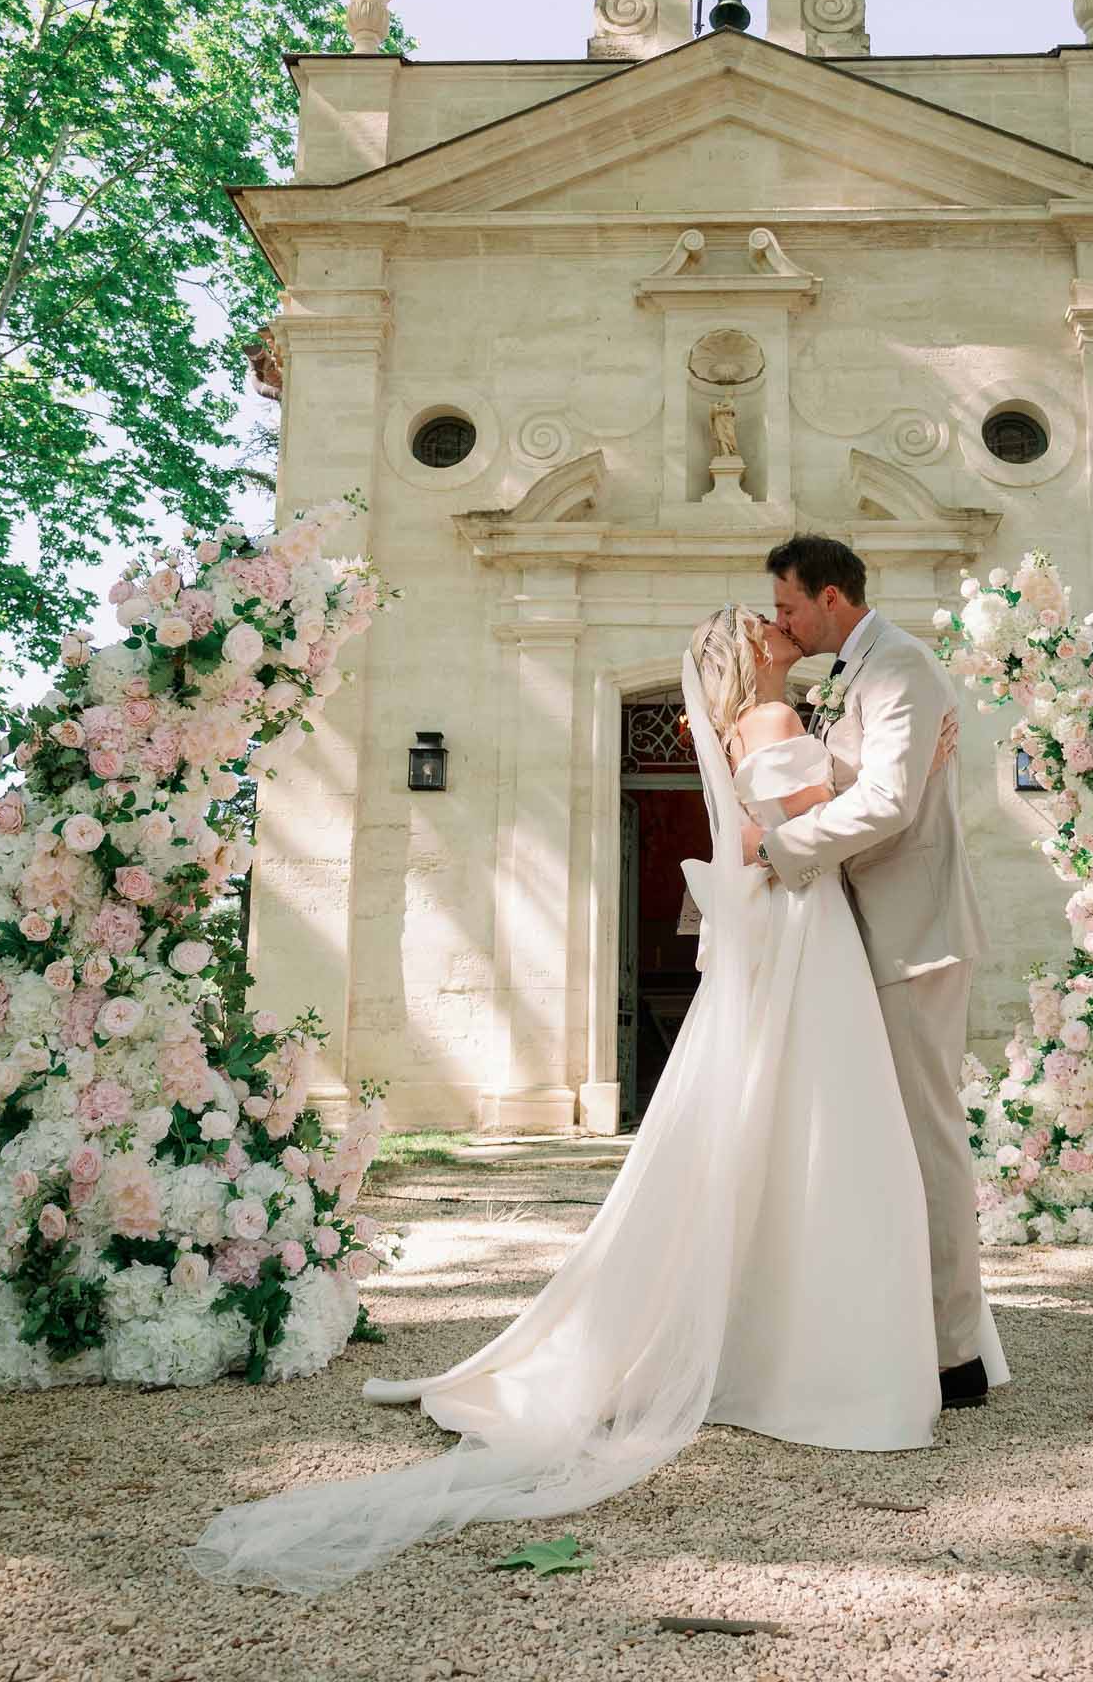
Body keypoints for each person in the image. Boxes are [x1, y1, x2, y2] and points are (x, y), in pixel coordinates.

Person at [187, 605, 1005, 1595]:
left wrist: (895, 772)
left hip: (807, 935)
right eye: (763, 623)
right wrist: (898, 779)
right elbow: (777, 838)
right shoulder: (779, 725)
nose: (781, 622)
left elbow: (801, 816)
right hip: (809, 932)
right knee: (823, 1133)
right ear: (748, 654)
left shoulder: (785, 723)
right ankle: (818, 1345)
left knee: (791, 1128)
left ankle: (779, 1323)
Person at [757, 534, 993, 1411]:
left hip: (915, 934)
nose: (779, 622)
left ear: (830, 596)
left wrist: (778, 849)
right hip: (863, 933)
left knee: (929, 1142)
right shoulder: (850, 675)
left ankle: (956, 1357)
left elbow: (891, 803)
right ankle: (897, 1328)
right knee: (880, 1142)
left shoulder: (900, 666)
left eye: (788, 606)